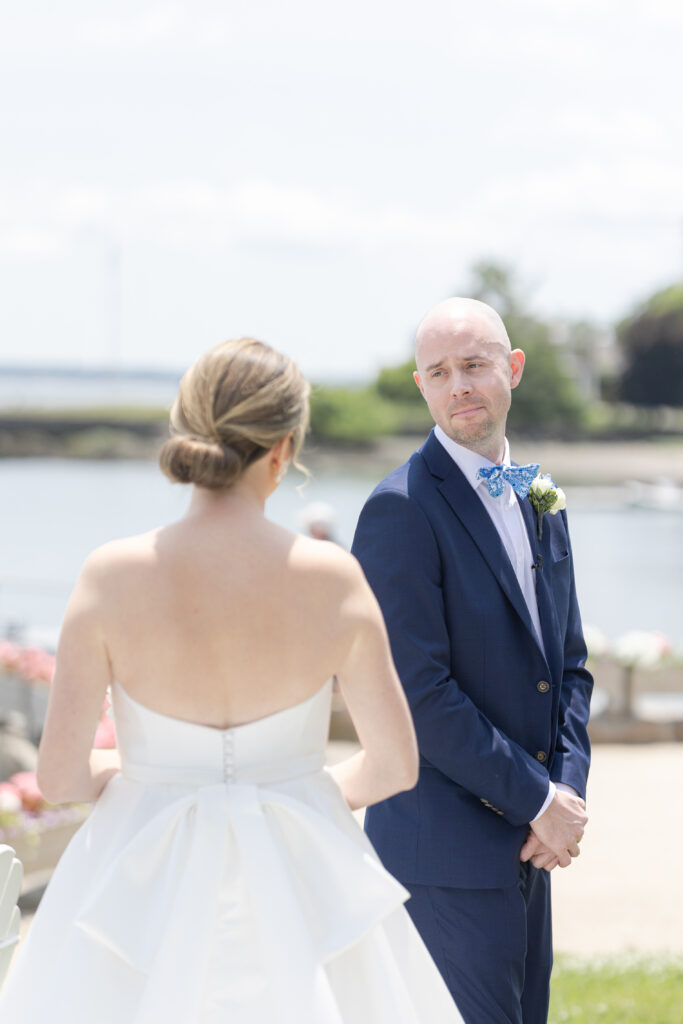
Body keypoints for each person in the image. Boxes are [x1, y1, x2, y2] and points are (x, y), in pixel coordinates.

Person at [0, 337, 464, 1023]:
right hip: (301, 880)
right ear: (283, 447)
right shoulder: (331, 578)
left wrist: (150, 779)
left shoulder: (110, 574)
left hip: (135, 880)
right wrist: (288, 791)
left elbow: (63, 776)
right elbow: (394, 765)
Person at [351, 299, 592, 1024]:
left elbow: (569, 668)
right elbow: (417, 695)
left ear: (511, 369)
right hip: (442, 858)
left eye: (474, 365)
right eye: (438, 371)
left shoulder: (539, 497)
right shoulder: (397, 509)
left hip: (531, 849)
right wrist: (540, 800)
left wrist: (565, 799)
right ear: (420, 386)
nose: (458, 384)